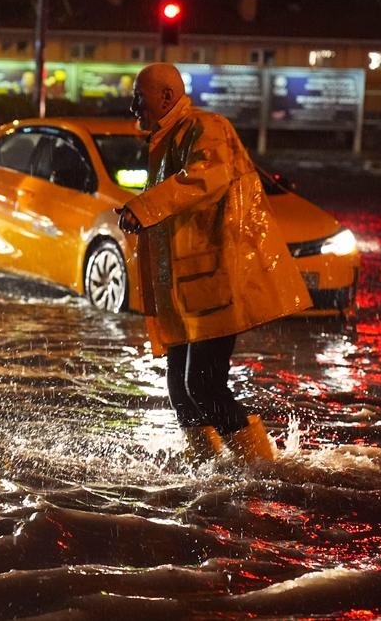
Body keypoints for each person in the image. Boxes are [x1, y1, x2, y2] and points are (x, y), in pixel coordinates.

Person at [116, 63, 311, 465]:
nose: (133, 105)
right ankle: (206, 469)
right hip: (187, 291)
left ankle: (261, 468)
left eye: (140, 96)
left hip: (215, 284)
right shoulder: (168, 139)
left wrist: (144, 207)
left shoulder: (206, 128)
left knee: (202, 384)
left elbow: (205, 179)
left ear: (166, 97)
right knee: (180, 388)